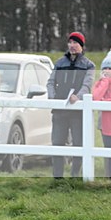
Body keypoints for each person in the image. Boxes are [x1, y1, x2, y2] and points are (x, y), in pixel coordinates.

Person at [47, 32, 96, 178]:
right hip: (59, 111)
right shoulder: (59, 63)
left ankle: (75, 175)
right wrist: (53, 98)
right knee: (57, 143)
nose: (72, 45)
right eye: (70, 42)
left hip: (77, 112)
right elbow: (51, 82)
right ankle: (57, 177)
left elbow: (87, 85)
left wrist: (78, 97)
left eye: (75, 43)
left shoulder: (89, 65)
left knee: (78, 144)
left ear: (81, 46)